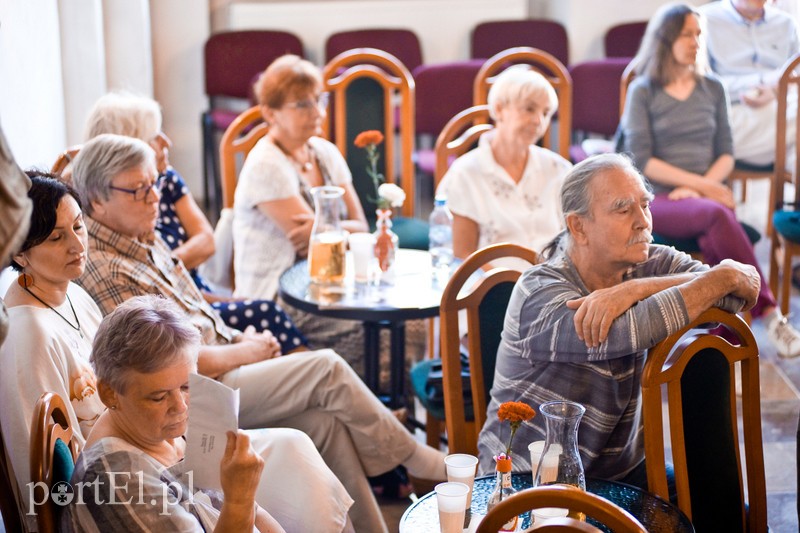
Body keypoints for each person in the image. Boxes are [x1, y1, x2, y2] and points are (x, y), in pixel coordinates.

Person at [71, 133, 446, 532]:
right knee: (325, 369)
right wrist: (247, 350)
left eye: (154, 183)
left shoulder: (143, 236)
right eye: (138, 189)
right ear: (96, 200)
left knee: (325, 424)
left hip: (211, 360)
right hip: (209, 380)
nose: (153, 198)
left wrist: (236, 334)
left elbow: (193, 309)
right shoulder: (107, 266)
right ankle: (416, 459)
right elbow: (163, 362)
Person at [0, 173, 353, 532]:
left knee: (318, 428)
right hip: (130, 462)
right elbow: (43, 475)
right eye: (58, 237)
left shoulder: (73, 293)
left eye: (78, 227)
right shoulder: (27, 334)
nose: (77, 245)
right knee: (296, 448)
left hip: (156, 439)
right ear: (18, 250)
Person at [477, 153, 759, 486]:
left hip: (620, 477)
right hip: (530, 479)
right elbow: (627, 330)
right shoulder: (538, 292)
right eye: (624, 210)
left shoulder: (646, 263)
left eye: (646, 205)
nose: (643, 221)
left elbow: (740, 287)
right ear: (578, 226)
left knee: (723, 510)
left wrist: (637, 287)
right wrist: (719, 277)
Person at [619, 2, 800, 358]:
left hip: (700, 196)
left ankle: (724, 340)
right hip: (656, 199)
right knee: (718, 215)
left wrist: (703, 188)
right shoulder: (644, 90)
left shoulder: (712, 88)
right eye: (687, 34)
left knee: (712, 228)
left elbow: (726, 153)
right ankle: (767, 314)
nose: (696, 42)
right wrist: (702, 188)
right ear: (666, 39)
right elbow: (641, 161)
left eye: (699, 34)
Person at [81, 91, 308, 355]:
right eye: (154, 136)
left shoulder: (165, 182)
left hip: (191, 295)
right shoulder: (119, 209)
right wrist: (157, 269)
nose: (166, 141)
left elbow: (206, 241)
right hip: (173, 313)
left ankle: (297, 372)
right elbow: (154, 315)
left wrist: (162, 265)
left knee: (266, 321)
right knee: (266, 315)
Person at [60, 295, 284, 532]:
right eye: (158, 397)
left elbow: (256, 513)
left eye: (187, 386)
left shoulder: (157, 430)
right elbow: (243, 508)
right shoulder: (117, 478)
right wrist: (240, 499)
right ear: (109, 394)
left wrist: (246, 502)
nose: (181, 406)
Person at [436, 67, 572, 269]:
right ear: (499, 110)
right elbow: (463, 254)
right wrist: (509, 286)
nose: (538, 121)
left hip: (553, 285)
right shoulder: (465, 173)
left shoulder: (558, 169)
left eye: (545, 113)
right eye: (529, 109)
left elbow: (576, 242)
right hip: (492, 288)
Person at [700, 0, 798, 168]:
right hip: (732, 113)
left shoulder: (786, 23)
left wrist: (775, 90)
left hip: (783, 110)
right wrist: (765, 82)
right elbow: (700, 84)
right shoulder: (703, 20)